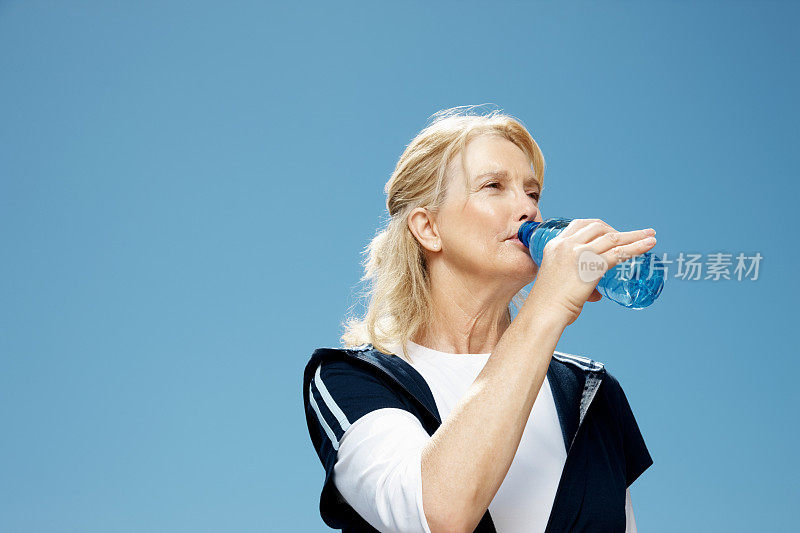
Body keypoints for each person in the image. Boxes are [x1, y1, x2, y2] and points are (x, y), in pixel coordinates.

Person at [302, 106, 655, 532]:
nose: (528, 209)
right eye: (494, 186)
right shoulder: (352, 378)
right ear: (428, 228)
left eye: (532, 193)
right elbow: (434, 516)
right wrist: (547, 308)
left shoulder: (591, 391)